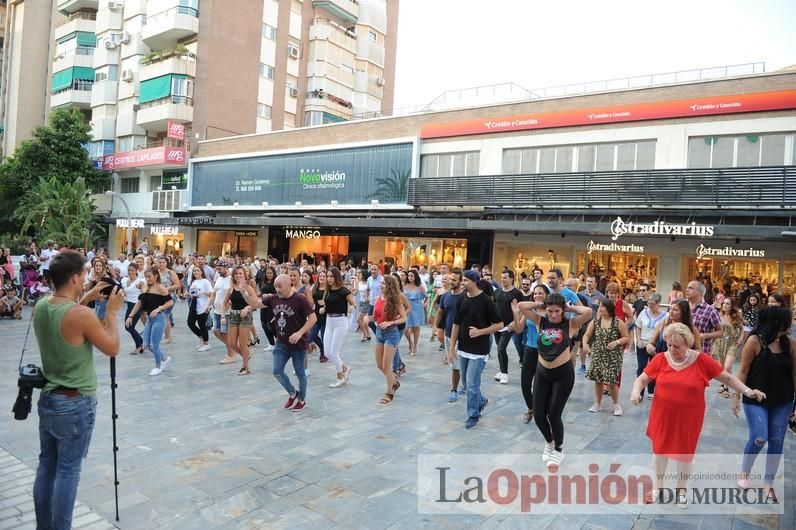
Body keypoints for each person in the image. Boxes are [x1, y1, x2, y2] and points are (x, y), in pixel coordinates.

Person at [32, 251, 123, 529]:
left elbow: (68, 319)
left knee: (46, 465)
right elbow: (112, 348)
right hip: (75, 403)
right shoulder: (81, 314)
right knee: (68, 471)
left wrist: (88, 297)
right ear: (74, 278)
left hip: (49, 397)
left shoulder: (42, 305)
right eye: (84, 274)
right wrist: (110, 313)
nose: (86, 278)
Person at [630, 322, 766, 507]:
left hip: (689, 418)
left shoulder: (701, 360)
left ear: (688, 343)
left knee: (684, 454)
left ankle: (681, 491)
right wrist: (636, 392)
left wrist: (747, 391)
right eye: (669, 344)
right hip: (662, 415)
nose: (671, 349)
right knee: (659, 451)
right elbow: (643, 378)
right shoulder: (661, 358)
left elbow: (726, 377)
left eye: (676, 346)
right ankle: (657, 488)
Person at [514, 292, 592, 467]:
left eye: (557, 311)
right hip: (542, 373)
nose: (553, 314)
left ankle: (559, 449)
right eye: (550, 311)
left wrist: (570, 307)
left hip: (562, 375)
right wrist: (539, 305)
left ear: (562, 310)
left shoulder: (570, 323)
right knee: (538, 414)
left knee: (554, 414)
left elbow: (588, 312)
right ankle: (549, 442)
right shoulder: (540, 321)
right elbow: (521, 306)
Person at [733, 306, 795, 498]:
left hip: (783, 400)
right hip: (755, 398)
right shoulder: (754, 341)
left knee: (777, 441)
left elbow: (795, 374)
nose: (791, 323)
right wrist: (736, 396)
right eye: (788, 320)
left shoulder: (791, 344)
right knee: (760, 437)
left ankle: (768, 482)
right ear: (778, 322)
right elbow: (742, 371)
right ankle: (745, 471)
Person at [245, 273, 317, 411]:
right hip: (281, 344)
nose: (277, 289)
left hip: (298, 344)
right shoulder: (273, 298)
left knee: (300, 372)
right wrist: (243, 292)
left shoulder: (300, 299)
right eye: (275, 286)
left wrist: (300, 332)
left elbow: (313, 318)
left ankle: (302, 399)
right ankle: (292, 393)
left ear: (289, 285)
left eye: (280, 286)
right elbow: (255, 303)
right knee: (277, 371)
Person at [447, 270, 504, 429]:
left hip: (479, 350)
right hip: (463, 348)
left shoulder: (486, 301)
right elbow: (456, 324)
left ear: (474, 281)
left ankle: (473, 414)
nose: (462, 283)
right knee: (466, 384)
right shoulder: (462, 299)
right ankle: (480, 400)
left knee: (472, 385)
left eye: (465, 280)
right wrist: (452, 348)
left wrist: (481, 332)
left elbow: (499, 324)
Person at [582, 299, 630, 415]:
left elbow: (626, 337)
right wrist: (585, 344)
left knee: (611, 381)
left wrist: (617, 342)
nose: (600, 309)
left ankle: (616, 405)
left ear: (609, 309)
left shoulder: (618, 322)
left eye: (603, 307)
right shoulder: (595, 322)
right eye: (600, 307)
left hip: (613, 356)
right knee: (598, 380)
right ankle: (597, 403)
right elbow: (587, 335)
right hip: (598, 354)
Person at [125, 266, 174, 376]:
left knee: (154, 345)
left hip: (159, 319)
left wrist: (159, 308)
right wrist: (131, 316)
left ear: (156, 276)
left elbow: (170, 303)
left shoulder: (161, 288)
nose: (147, 279)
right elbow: (139, 303)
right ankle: (164, 358)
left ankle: (158, 366)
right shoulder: (145, 287)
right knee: (146, 345)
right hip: (149, 320)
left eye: (149, 277)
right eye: (146, 277)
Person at [512, 284, 550, 424]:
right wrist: (516, 314)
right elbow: (518, 329)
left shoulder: (549, 312)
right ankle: (532, 409)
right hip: (530, 348)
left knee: (541, 385)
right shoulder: (529, 310)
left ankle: (542, 410)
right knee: (525, 384)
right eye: (535, 294)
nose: (537, 296)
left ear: (547, 295)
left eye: (541, 293)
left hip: (545, 352)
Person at [370, 274, 408, 404]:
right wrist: (368, 319)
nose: (381, 286)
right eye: (381, 283)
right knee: (380, 366)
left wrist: (391, 323)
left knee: (387, 366)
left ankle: (389, 392)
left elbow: (404, 318)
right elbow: (375, 317)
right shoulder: (378, 299)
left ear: (390, 286)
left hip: (391, 333)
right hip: (379, 333)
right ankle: (394, 382)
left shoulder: (395, 300)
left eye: (383, 284)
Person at [322, 267, 355, 388]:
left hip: (340, 321)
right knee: (327, 352)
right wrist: (323, 308)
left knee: (333, 352)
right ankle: (345, 368)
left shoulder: (343, 290)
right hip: (329, 321)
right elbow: (328, 304)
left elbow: (353, 303)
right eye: (328, 276)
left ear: (336, 277)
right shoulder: (328, 290)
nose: (329, 279)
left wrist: (352, 307)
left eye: (331, 276)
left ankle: (340, 376)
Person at [634, 293, 668, 399]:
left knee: (654, 368)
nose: (650, 306)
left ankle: (651, 390)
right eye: (649, 303)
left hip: (656, 346)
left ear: (658, 303)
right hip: (643, 344)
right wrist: (638, 340)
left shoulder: (665, 316)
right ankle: (640, 391)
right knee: (641, 367)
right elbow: (638, 326)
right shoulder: (644, 313)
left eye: (652, 304)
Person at [493, 270, 523, 384]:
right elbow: (494, 306)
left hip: (509, 326)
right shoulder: (497, 292)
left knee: (501, 348)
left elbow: (521, 309)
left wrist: (515, 322)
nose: (503, 279)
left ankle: (504, 373)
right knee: (499, 349)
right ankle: (501, 370)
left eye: (505, 277)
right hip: (497, 325)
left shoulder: (517, 293)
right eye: (502, 277)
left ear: (511, 279)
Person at [713, 297, 744, 397]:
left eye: (728, 304)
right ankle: (723, 385)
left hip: (732, 343)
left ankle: (725, 387)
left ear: (732, 306)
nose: (725, 306)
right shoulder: (718, 315)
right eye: (724, 303)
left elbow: (742, 328)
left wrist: (740, 339)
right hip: (720, 342)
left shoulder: (736, 316)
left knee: (728, 366)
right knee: (722, 367)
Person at [209, 259, 235, 365]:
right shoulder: (219, 278)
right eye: (216, 269)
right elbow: (214, 293)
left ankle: (231, 355)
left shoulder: (231, 279)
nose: (217, 271)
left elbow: (234, 293)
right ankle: (233, 347)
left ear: (225, 268)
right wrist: (208, 305)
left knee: (225, 333)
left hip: (227, 312)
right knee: (216, 332)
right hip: (217, 310)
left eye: (219, 269)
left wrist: (231, 303)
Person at [686, 280, 722, 356]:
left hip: (701, 353)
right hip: (680, 353)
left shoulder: (710, 310)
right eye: (687, 287)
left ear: (700, 292)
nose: (687, 290)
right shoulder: (682, 306)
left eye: (690, 288)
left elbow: (720, 332)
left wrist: (705, 335)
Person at [187, 265, 213, 352]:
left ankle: (206, 343)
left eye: (198, 271)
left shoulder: (205, 281)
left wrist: (203, 293)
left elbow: (211, 293)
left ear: (201, 272)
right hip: (194, 304)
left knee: (202, 325)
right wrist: (188, 294)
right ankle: (201, 336)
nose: (196, 272)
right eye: (194, 271)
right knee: (190, 322)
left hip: (203, 304)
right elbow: (193, 292)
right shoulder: (194, 282)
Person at [121, 263, 145, 354]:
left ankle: (139, 345)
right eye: (129, 270)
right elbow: (125, 292)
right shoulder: (126, 280)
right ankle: (141, 343)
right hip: (129, 305)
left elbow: (144, 294)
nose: (130, 272)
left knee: (129, 327)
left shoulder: (140, 282)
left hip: (137, 306)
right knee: (128, 327)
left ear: (136, 271)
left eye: (132, 270)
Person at [403, 269, 427, 355]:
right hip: (406, 309)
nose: (410, 277)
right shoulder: (404, 285)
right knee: (405, 329)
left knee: (415, 328)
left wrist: (425, 304)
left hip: (417, 308)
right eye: (408, 276)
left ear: (415, 277)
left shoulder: (419, 286)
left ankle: (415, 346)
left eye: (412, 276)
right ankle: (410, 343)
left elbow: (426, 296)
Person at [257, 265, 278, 352]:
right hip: (263, 305)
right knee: (264, 324)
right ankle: (271, 344)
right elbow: (261, 292)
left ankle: (281, 342)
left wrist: (270, 295)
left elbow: (280, 294)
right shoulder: (264, 282)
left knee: (271, 325)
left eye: (270, 273)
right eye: (267, 273)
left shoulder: (276, 283)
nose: (269, 274)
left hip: (272, 307)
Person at [355, 270, 372, 342]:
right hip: (361, 302)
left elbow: (370, 292)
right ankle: (368, 335)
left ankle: (365, 335)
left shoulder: (368, 283)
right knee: (363, 320)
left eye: (360, 274)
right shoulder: (359, 283)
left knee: (359, 319)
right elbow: (355, 293)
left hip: (366, 302)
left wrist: (367, 297)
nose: (359, 275)